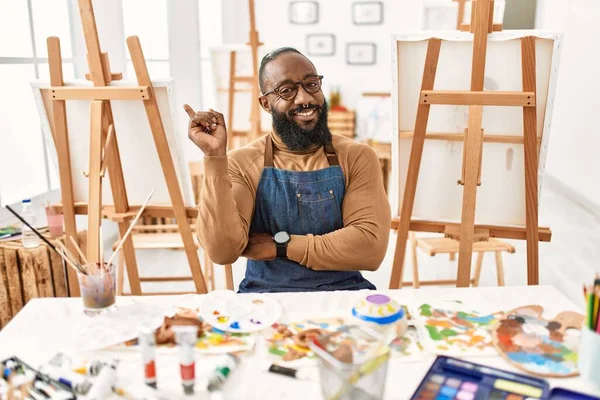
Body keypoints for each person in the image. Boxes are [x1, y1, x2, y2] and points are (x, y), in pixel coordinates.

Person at [184, 47, 390, 293]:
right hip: (264, 297)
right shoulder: (241, 162)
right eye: (287, 90)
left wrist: (280, 246)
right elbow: (222, 251)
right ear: (266, 103)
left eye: (311, 84)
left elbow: (370, 248)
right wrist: (215, 157)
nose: (304, 98)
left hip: (345, 294)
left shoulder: (357, 156)